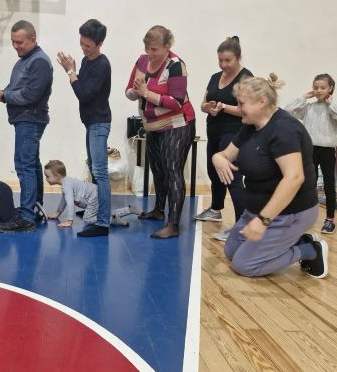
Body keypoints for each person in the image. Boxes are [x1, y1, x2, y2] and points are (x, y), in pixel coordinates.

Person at [212, 74, 328, 278]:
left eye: (241, 103)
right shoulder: (250, 126)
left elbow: (294, 178)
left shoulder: (284, 130)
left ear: (262, 101)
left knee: (244, 265)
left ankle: (309, 250)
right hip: (256, 210)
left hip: (289, 214)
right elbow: (225, 155)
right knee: (231, 251)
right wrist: (217, 158)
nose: (238, 108)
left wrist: (263, 220)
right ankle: (290, 241)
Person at [0, 20, 53, 232]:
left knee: (24, 165)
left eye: (19, 42)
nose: (15, 46)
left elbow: (31, 95)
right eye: (13, 42)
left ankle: (27, 217)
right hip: (25, 119)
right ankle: (34, 208)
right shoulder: (25, 60)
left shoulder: (39, 62)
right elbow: (17, 88)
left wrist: (3, 96)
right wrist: (2, 94)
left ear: (33, 39)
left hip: (30, 120)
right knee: (31, 163)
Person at [125, 25, 196, 239]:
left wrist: (147, 93)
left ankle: (173, 224)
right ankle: (158, 210)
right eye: (147, 48)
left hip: (177, 124)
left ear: (167, 46)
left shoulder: (176, 65)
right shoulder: (141, 61)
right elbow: (129, 91)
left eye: (154, 49)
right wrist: (134, 92)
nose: (150, 53)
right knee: (157, 169)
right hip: (152, 125)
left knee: (172, 170)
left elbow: (177, 101)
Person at [56, 19, 112, 237]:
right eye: (81, 43)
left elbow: (84, 94)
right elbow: (82, 86)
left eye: (87, 45)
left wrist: (71, 72)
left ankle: (102, 222)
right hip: (90, 122)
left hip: (99, 122)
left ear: (99, 44)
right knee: (94, 170)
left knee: (100, 172)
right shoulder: (86, 61)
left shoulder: (102, 65)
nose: (83, 48)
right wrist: (74, 71)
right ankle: (95, 211)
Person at [194, 36, 252, 241]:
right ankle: (215, 209)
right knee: (214, 172)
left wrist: (224, 107)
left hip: (234, 132)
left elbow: (248, 110)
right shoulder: (214, 77)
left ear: (238, 58)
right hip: (214, 130)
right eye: (220, 60)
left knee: (232, 177)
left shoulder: (246, 78)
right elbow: (203, 103)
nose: (223, 64)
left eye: (228, 60)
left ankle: (241, 227)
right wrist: (207, 107)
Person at [284, 74, 337, 234]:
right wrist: (303, 97)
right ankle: (304, 216)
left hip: (327, 151)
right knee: (307, 184)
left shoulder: (333, 108)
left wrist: (331, 103)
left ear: (330, 88)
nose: (319, 90)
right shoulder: (308, 107)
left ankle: (330, 219)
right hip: (309, 150)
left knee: (329, 185)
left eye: (323, 87)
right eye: (316, 87)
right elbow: (288, 110)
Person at [44, 160, 139, 230]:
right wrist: (57, 214)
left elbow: (70, 203)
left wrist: (69, 221)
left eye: (48, 176)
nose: (46, 179)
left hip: (93, 196)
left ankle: (111, 220)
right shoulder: (67, 182)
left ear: (57, 176)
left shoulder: (66, 185)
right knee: (105, 212)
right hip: (95, 192)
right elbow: (64, 200)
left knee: (88, 219)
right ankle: (130, 210)